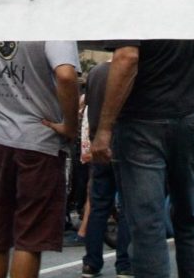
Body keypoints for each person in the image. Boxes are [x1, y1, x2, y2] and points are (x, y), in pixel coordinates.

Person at [91, 39, 194, 278]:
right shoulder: (188, 2)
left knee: (147, 225)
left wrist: (104, 129)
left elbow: (126, 57)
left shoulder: (133, 1)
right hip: (190, 113)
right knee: (190, 217)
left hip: (143, 118)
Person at [0, 40, 80, 278]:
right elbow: (66, 75)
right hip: (39, 140)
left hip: (0, 136)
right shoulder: (52, 22)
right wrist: (70, 126)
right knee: (30, 236)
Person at [81, 58, 131, 278]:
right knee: (128, 206)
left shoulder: (95, 72)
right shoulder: (131, 71)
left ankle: (91, 262)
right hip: (125, 143)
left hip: (98, 144)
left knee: (99, 204)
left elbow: (89, 104)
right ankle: (125, 263)